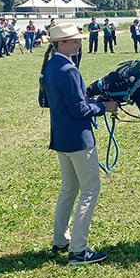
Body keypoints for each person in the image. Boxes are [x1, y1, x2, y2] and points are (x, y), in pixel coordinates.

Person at [40, 23, 117, 265]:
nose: (78, 43)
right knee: (90, 189)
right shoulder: (69, 70)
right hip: (78, 140)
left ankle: (61, 239)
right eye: (73, 41)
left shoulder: (51, 66)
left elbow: (50, 102)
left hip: (61, 138)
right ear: (60, 43)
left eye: (78, 40)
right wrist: (105, 107)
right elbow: (79, 109)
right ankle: (79, 250)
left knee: (69, 189)